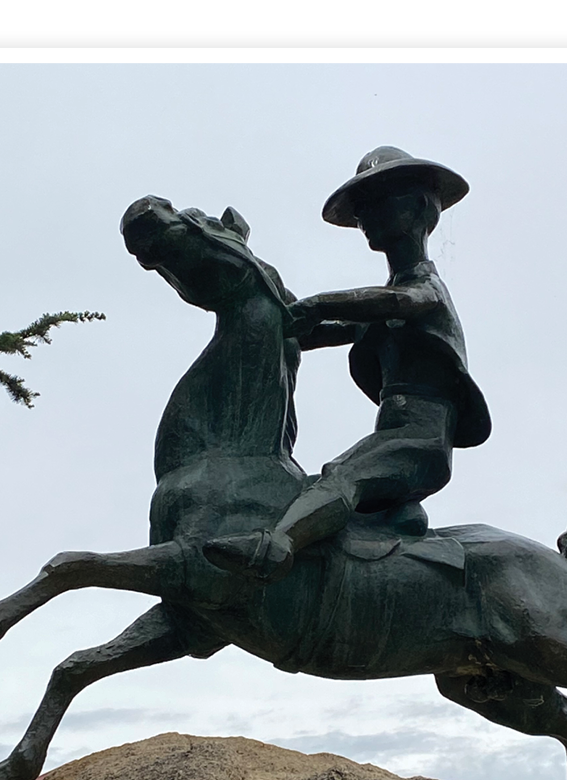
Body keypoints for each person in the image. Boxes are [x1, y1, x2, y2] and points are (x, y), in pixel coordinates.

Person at [203, 146, 492, 583]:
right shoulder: (385, 304)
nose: (366, 218)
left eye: (378, 203)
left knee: (340, 477)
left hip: (421, 440)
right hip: (393, 433)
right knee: (329, 491)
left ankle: (274, 548)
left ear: (417, 206)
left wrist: (319, 303)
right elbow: (312, 331)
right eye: (361, 211)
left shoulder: (423, 288)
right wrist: (252, 299)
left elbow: (398, 303)